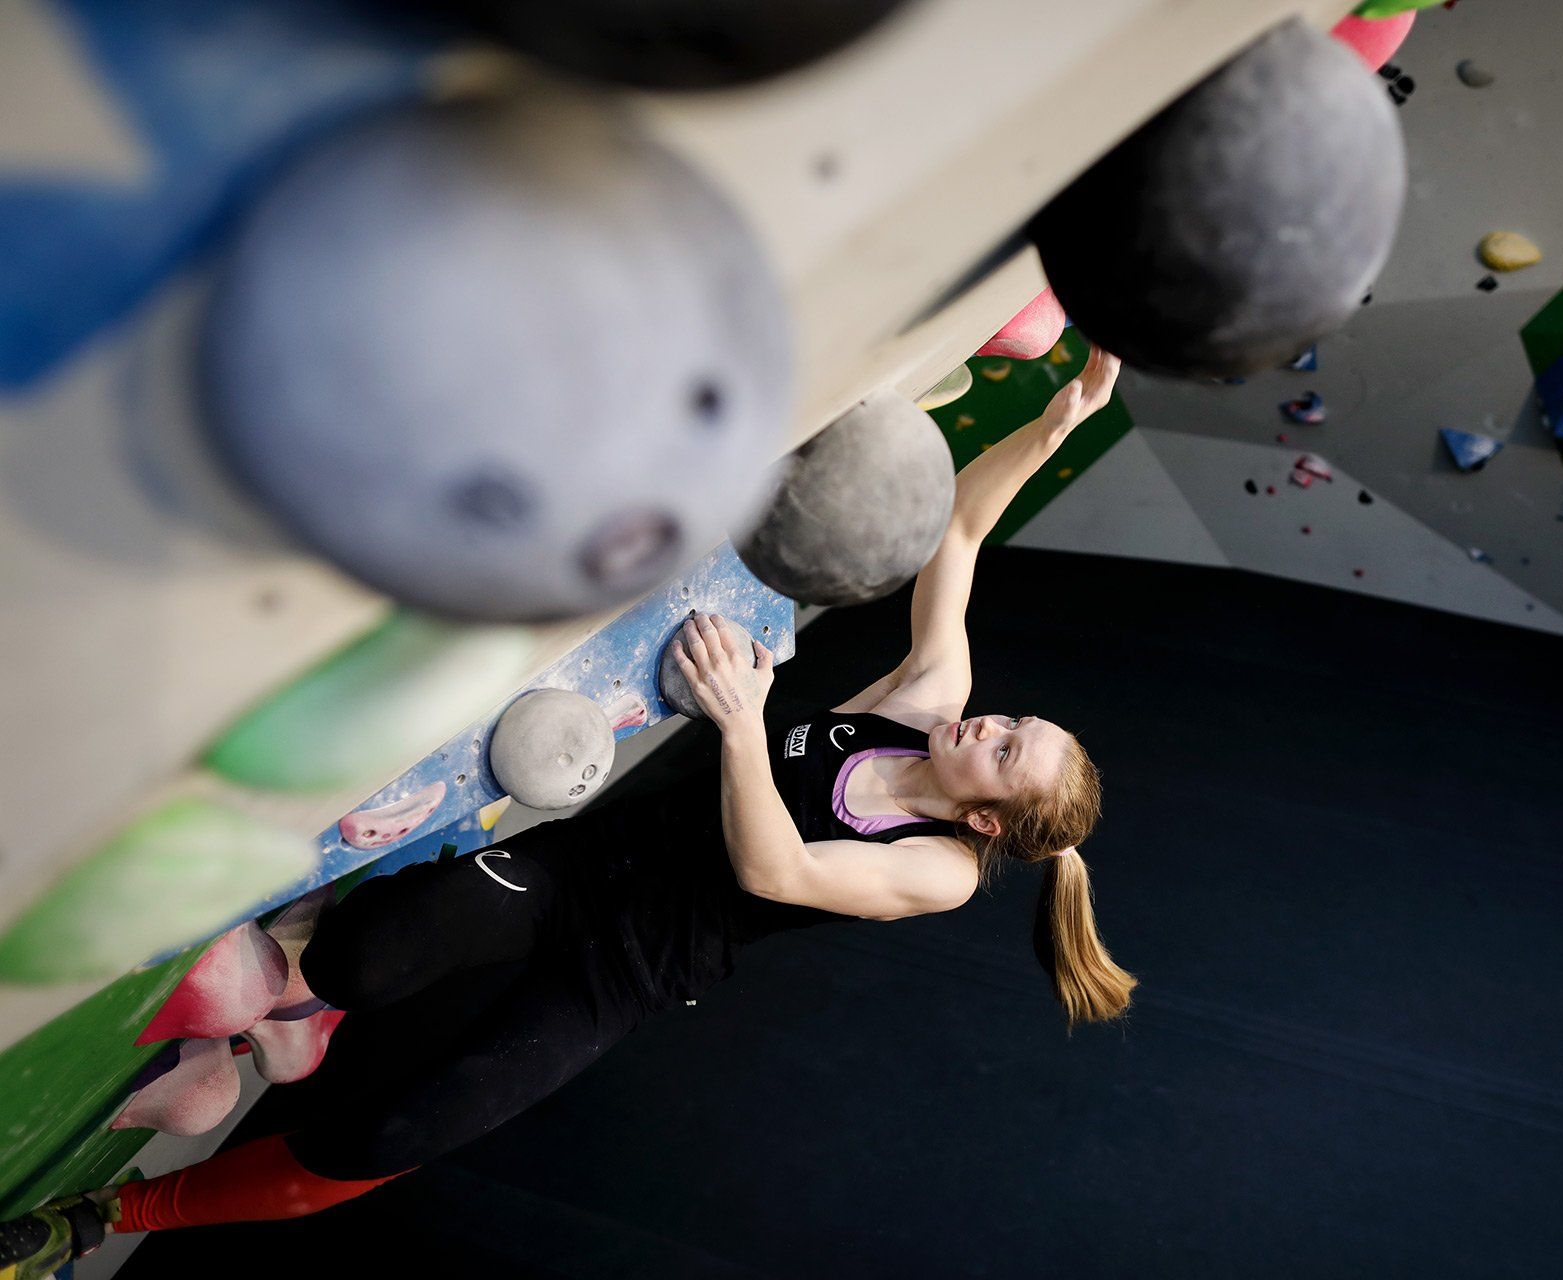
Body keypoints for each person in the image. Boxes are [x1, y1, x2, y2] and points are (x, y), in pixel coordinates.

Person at [0, 347, 1136, 1277]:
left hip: (634, 967)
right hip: (589, 862)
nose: (989, 725)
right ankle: (326, 984)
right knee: (365, 955)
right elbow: (959, 536)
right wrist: (1058, 422)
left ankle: (106, 1217)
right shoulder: (929, 700)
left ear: (987, 820)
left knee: (391, 1137)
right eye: (1011, 720)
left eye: (1004, 751)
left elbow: (779, 873)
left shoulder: (935, 871)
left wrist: (745, 721)